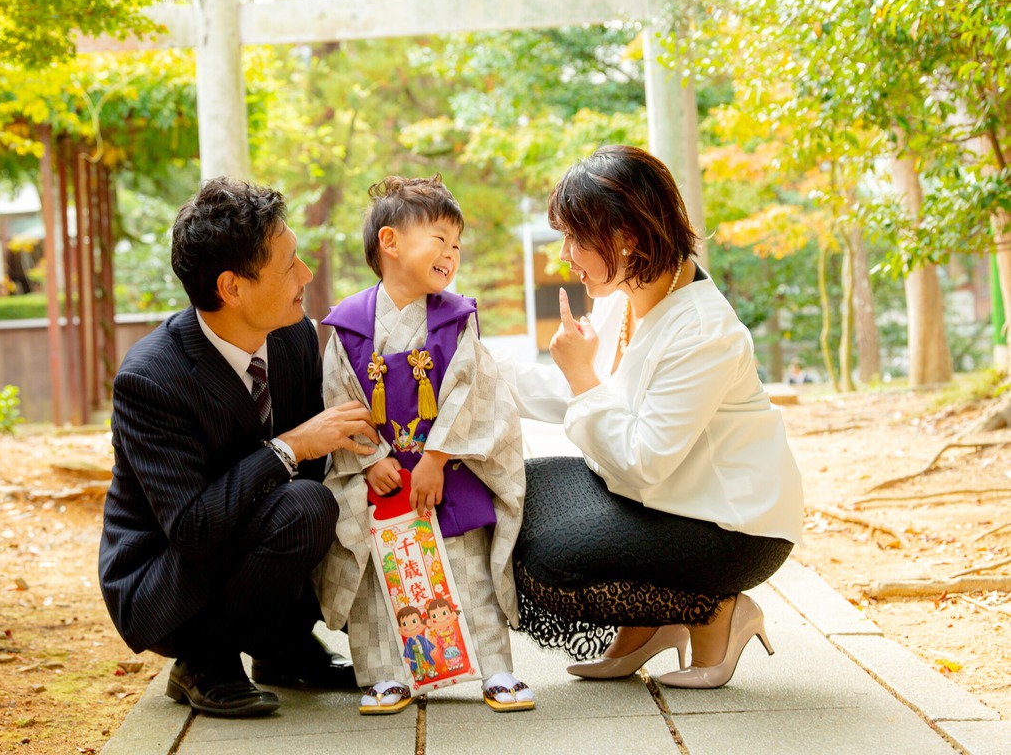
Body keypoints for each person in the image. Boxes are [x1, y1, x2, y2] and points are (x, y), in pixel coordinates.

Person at [495, 145, 803, 689]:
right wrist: (472, 366)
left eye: (576, 237)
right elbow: (583, 397)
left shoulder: (704, 331)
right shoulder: (626, 293)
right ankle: (647, 626)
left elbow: (642, 461)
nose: (565, 254)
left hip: (727, 527)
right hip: (663, 499)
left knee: (551, 559)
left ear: (626, 238)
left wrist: (583, 376)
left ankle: (716, 611)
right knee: (511, 491)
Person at [98, 177, 381, 718]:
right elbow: (192, 527)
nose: (306, 274)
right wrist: (289, 447)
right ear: (232, 287)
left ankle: (283, 648)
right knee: (304, 502)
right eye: (289, 264)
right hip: (164, 579)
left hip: (246, 538)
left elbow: (315, 465)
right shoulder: (152, 379)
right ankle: (203, 661)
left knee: (321, 497)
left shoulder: (293, 335)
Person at [316, 175, 533, 714]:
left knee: (469, 570)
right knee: (376, 576)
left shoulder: (457, 320)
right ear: (390, 243)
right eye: (438, 239)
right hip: (384, 478)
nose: (451, 253)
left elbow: (471, 391)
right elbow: (340, 400)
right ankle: (386, 675)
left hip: (446, 473)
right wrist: (369, 460)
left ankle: (497, 669)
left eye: (456, 244)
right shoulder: (348, 326)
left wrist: (435, 458)